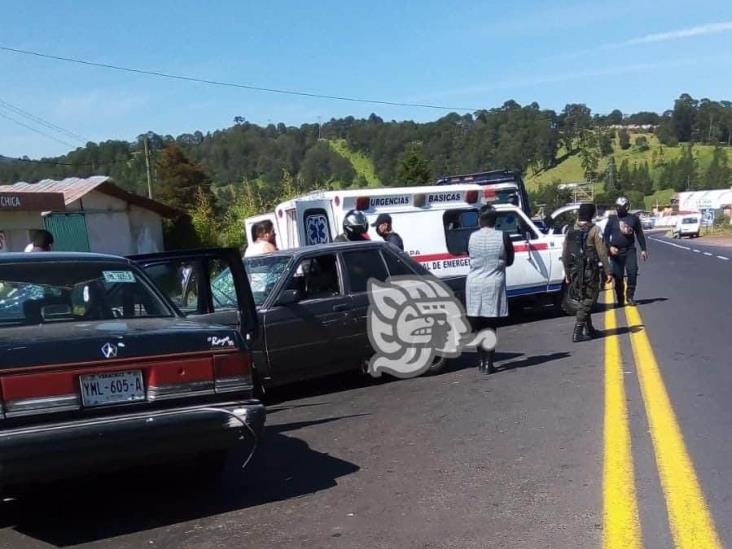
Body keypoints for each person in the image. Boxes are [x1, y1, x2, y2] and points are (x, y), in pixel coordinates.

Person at [465, 205, 514, 374]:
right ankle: (488, 363)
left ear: (480, 220)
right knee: (491, 326)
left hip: (474, 284)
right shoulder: (503, 236)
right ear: (495, 220)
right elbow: (510, 260)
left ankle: (480, 361)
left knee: (479, 326)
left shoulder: (471, 237)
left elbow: (469, 255)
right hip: (494, 283)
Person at [562, 203, 613, 343]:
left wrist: (567, 273)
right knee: (589, 299)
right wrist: (609, 272)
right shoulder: (595, 230)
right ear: (591, 215)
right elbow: (602, 252)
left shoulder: (570, 230)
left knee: (582, 298)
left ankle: (589, 329)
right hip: (590, 270)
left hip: (575, 272)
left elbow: (565, 253)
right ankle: (578, 331)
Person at [603, 197, 648, 306]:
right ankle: (620, 298)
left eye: (621, 207)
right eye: (617, 207)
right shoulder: (612, 219)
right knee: (618, 277)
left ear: (627, 207)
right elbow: (605, 235)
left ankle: (630, 296)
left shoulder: (633, 219)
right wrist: (610, 247)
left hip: (630, 250)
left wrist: (643, 249)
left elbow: (639, 234)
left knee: (632, 272)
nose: (619, 209)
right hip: (616, 252)